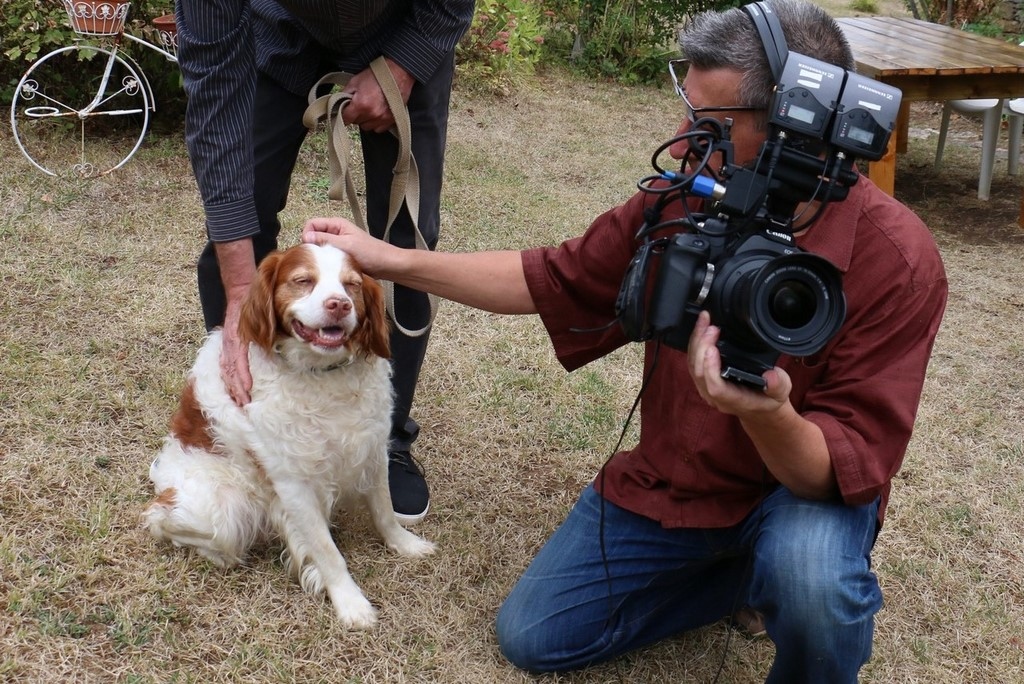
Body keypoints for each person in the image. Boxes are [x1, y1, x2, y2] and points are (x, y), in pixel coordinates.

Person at [303, 0, 947, 679]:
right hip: (681, 482)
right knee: (535, 635)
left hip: (802, 503)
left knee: (812, 575)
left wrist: (766, 414)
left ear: (797, 123)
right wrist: (391, 259)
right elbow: (551, 277)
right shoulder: (689, 194)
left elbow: (836, 468)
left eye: (710, 123)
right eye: (687, 110)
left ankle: (777, 577)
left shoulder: (897, 260)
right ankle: (743, 580)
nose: (683, 138)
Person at [174, 0, 475, 524]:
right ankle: (248, 419)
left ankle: (387, 438)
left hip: (406, 26)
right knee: (237, 226)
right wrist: (242, 290)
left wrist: (407, 61)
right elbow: (215, 87)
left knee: (408, 241)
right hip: (273, 34)